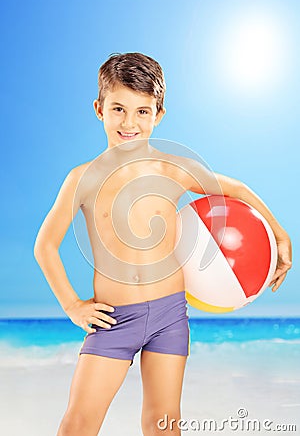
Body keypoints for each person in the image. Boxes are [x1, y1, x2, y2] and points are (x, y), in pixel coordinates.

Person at [34, 52, 292, 436]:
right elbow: (45, 245)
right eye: (118, 108)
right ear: (99, 109)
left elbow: (236, 188)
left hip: (170, 316)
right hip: (113, 319)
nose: (129, 122)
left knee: (163, 423)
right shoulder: (83, 179)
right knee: (78, 423)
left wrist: (280, 234)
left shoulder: (171, 169)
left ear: (159, 115)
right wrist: (72, 304)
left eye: (143, 111)